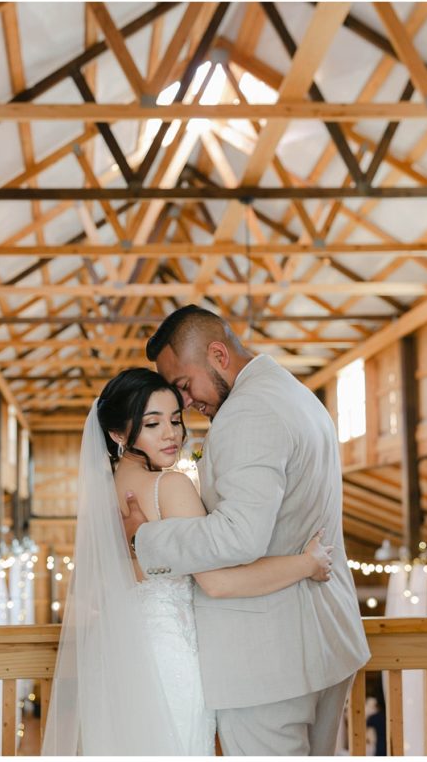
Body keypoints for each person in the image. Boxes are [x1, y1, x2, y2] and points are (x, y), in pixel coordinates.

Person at [42, 369, 334, 755]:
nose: (171, 434)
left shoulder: (103, 496)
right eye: (152, 423)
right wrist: (307, 564)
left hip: (118, 658)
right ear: (116, 434)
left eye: (176, 420)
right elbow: (219, 582)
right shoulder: (171, 486)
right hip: (169, 657)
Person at [121, 305, 371, 756]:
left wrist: (146, 539)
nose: (186, 403)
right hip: (325, 642)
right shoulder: (295, 395)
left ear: (218, 354)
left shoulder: (246, 413)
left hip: (267, 661)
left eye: (183, 385)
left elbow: (239, 537)